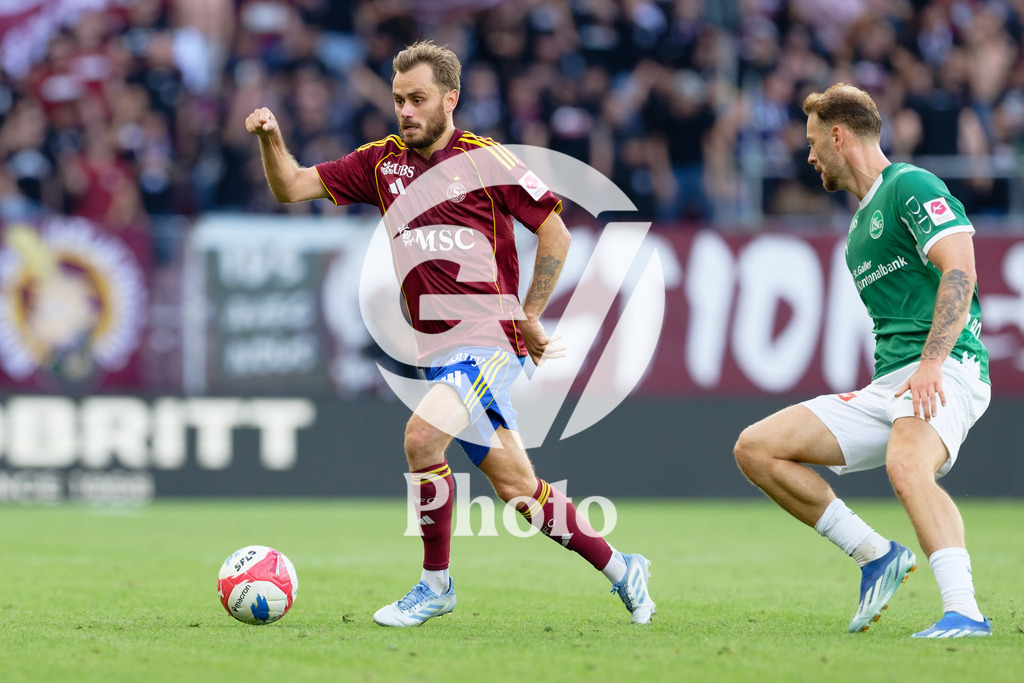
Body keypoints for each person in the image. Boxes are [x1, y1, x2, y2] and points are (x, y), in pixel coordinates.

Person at [245, 40, 655, 627]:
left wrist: (527, 313)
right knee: (519, 488)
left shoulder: (487, 160)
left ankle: (435, 585)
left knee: (420, 440)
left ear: (450, 100)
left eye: (418, 99)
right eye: (398, 100)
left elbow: (557, 234)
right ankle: (622, 567)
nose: (405, 111)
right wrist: (269, 138)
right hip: (439, 353)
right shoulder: (380, 163)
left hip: (487, 341)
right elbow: (291, 186)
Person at [734, 83, 992, 639]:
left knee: (906, 464)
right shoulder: (857, 229)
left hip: (946, 367)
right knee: (757, 447)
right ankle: (876, 555)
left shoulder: (911, 185)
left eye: (811, 142)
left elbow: (961, 269)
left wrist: (932, 362)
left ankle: (965, 611)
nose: (807, 157)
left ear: (837, 135)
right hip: (891, 384)